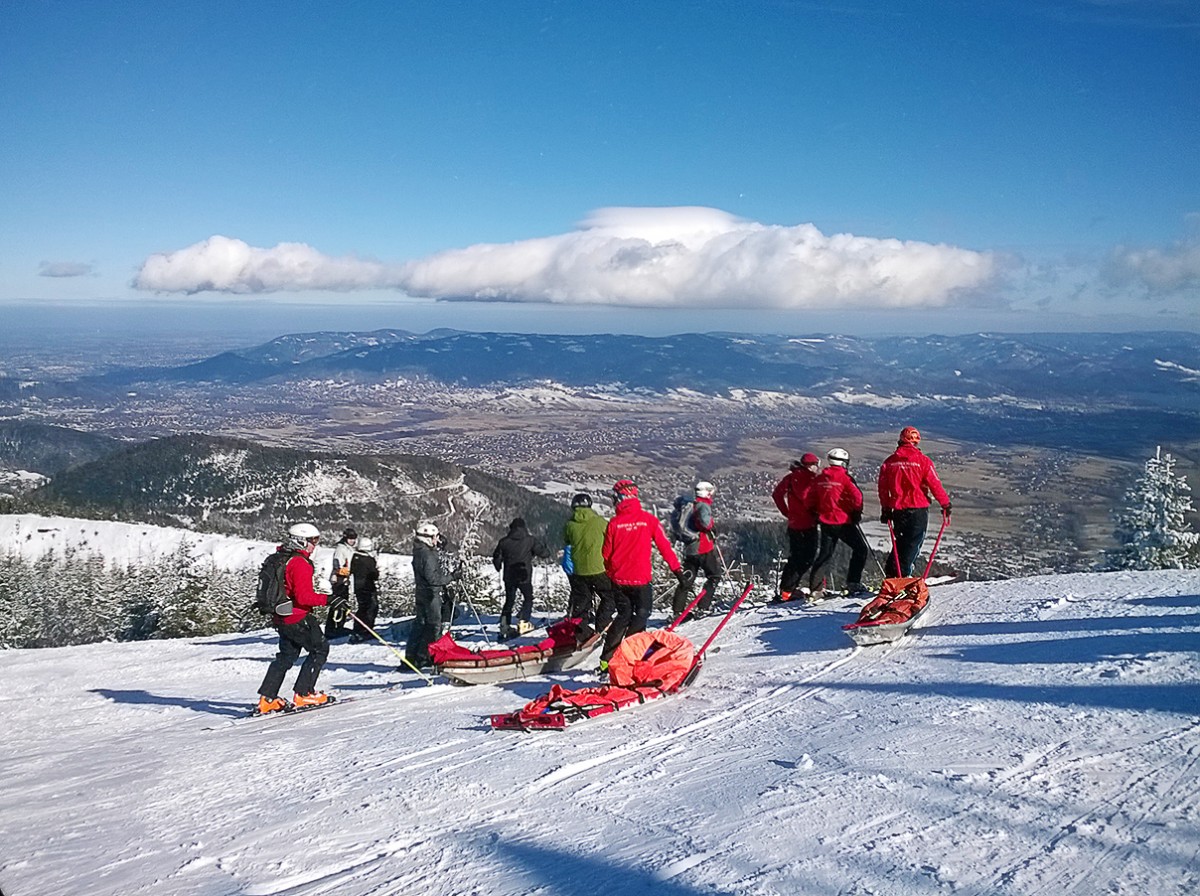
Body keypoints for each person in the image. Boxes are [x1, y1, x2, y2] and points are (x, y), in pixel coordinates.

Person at [256, 523, 345, 713]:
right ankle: (304, 694)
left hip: (281, 616)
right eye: (313, 541)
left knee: (286, 657)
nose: (315, 546)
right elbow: (304, 597)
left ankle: (268, 699)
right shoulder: (299, 563)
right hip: (297, 616)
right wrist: (330, 599)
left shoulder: (280, 558)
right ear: (301, 541)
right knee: (319, 649)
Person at [600, 479, 687, 668]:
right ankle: (630, 656)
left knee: (623, 616)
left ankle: (606, 660)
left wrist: (611, 573)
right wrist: (678, 572)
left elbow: (605, 554)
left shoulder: (614, 524)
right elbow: (665, 547)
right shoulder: (648, 520)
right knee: (641, 615)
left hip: (619, 580)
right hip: (640, 580)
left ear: (620, 498)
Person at [877, 426, 952, 577]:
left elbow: (883, 488)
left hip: (898, 511)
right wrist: (945, 504)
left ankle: (892, 576)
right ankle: (903, 579)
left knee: (900, 543)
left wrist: (885, 509)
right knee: (913, 545)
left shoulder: (889, 462)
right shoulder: (923, 461)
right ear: (916, 442)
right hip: (918, 510)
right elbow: (934, 484)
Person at [806, 448, 871, 598]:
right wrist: (855, 513)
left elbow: (810, 498)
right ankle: (853, 582)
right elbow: (857, 497)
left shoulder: (821, 477)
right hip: (843, 522)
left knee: (825, 554)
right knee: (861, 549)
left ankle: (816, 589)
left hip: (825, 522)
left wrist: (815, 512)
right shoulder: (845, 478)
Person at [771, 453, 821, 601]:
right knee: (808, 558)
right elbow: (809, 500)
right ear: (812, 465)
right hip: (808, 524)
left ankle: (785, 591)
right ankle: (790, 590)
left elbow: (777, 495)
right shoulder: (811, 479)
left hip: (794, 524)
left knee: (795, 557)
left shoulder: (791, 478)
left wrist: (787, 512)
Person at [407, 521, 455, 669]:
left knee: (420, 624)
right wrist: (452, 577)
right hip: (430, 594)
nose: (437, 540)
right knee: (433, 625)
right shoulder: (426, 554)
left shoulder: (420, 551)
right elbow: (433, 578)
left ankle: (411, 657)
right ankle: (424, 657)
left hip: (422, 592)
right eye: (435, 537)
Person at [492, 517, 551, 640]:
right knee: (528, 598)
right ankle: (524, 622)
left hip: (509, 576)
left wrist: (498, 566)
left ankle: (504, 625)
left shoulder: (504, 542)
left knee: (509, 600)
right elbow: (544, 553)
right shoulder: (530, 540)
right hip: (524, 575)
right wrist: (545, 549)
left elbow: (497, 557)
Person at [671, 481, 721, 619]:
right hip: (703, 547)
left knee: (687, 579)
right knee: (714, 576)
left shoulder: (688, 504)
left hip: (689, 547)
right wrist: (712, 526)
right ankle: (703, 607)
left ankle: (677, 611)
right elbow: (705, 523)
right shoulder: (703, 505)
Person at [562, 493, 611, 631]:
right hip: (599, 568)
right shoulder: (601, 522)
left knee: (582, 600)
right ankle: (603, 624)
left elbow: (567, 542)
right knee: (609, 597)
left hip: (578, 570)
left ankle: (580, 631)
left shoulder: (569, 525)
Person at [325, 526, 358, 639]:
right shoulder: (341, 549)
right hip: (339, 580)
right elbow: (337, 564)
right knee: (338, 604)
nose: (352, 541)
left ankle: (338, 626)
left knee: (342, 603)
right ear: (345, 538)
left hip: (344, 580)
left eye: (354, 538)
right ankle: (333, 628)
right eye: (350, 538)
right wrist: (349, 571)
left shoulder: (348, 548)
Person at [348, 536, 380, 643]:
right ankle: (366, 631)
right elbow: (374, 575)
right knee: (371, 608)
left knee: (362, 608)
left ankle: (358, 630)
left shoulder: (355, 557)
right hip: (368, 587)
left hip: (358, 587)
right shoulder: (368, 560)